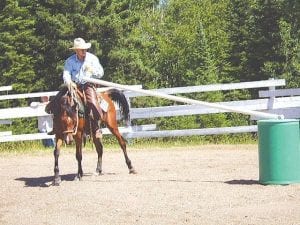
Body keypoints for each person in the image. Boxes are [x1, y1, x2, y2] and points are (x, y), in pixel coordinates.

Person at [62, 37, 104, 139]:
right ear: (76, 50)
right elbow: (66, 73)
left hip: (88, 84)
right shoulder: (70, 61)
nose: (84, 51)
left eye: (85, 49)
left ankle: (96, 127)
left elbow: (101, 73)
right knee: (60, 101)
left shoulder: (92, 59)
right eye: (81, 49)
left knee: (92, 102)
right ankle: (59, 128)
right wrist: (69, 82)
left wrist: (92, 70)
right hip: (74, 85)